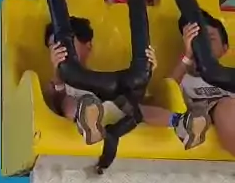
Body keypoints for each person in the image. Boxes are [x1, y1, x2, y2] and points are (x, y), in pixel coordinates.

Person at [44, 16, 210, 149]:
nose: (61, 50)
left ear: (88, 46)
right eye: (53, 46)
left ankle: (181, 123)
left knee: (137, 107)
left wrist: (146, 73)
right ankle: (90, 124)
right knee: (70, 104)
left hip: (115, 113)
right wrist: (58, 75)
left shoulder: (105, 80)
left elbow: (141, 99)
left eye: (67, 44)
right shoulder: (55, 83)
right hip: (78, 118)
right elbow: (55, 103)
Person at [171, 10, 235, 155]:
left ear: (224, 48)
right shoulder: (183, 77)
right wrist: (187, 56)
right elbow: (167, 92)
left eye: (210, 39)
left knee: (228, 106)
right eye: (197, 39)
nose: (203, 45)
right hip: (199, 116)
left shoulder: (230, 76)